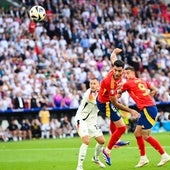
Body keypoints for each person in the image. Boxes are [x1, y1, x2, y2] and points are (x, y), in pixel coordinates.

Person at [119, 66, 170, 167]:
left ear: (133, 73)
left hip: (148, 109)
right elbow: (154, 89)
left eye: (128, 73)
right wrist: (149, 97)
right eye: (125, 73)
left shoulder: (128, 83)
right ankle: (144, 158)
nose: (126, 75)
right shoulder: (141, 80)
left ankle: (164, 155)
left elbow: (119, 93)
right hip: (149, 108)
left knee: (145, 135)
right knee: (137, 133)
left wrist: (117, 89)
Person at [97, 49, 139, 166]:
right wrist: (130, 110)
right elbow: (115, 103)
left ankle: (116, 141)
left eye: (119, 71)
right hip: (105, 103)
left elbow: (113, 57)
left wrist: (114, 52)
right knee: (121, 128)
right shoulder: (109, 82)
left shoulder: (116, 67)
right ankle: (107, 150)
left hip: (106, 100)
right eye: (115, 70)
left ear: (122, 70)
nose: (116, 73)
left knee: (114, 119)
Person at [75, 78, 106, 170]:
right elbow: (99, 103)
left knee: (102, 141)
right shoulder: (88, 94)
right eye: (91, 84)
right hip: (81, 120)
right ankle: (79, 166)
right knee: (86, 140)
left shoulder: (101, 93)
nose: (92, 85)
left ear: (98, 85)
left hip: (92, 122)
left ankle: (95, 158)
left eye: (94, 83)